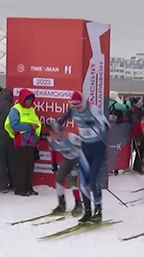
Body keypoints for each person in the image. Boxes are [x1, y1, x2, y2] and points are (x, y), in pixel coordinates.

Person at [57, 91, 110, 223]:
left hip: (98, 148)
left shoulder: (93, 109)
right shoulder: (72, 109)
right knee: (83, 183)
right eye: (74, 106)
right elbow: (66, 116)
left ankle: (98, 211)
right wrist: (61, 121)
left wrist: (93, 124)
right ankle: (87, 212)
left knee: (93, 181)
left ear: (84, 102)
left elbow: (107, 127)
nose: (77, 109)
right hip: (85, 149)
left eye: (79, 106)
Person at [5, 88, 41, 197]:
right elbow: (14, 125)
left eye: (31, 100)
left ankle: (28, 187)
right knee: (21, 166)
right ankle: (19, 189)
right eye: (27, 99)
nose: (29, 102)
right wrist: (29, 126)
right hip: (20, 142)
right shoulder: (15, 110)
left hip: (31, 141)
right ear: (22, 99)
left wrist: (36, 135)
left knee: (29, 166)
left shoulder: (31, 109)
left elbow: (37, 122)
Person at [47, 122, 83, 217]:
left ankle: (78, 204)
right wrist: (53, 163)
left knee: (72, 180)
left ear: (60, 130)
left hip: (78, 159)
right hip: (67, 159)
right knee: (58, 180)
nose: (54, 134)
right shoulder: (52, 140)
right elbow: (52, 151)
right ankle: (61, 204)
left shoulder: (71, 137)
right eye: (52, 132)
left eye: (55, 132)